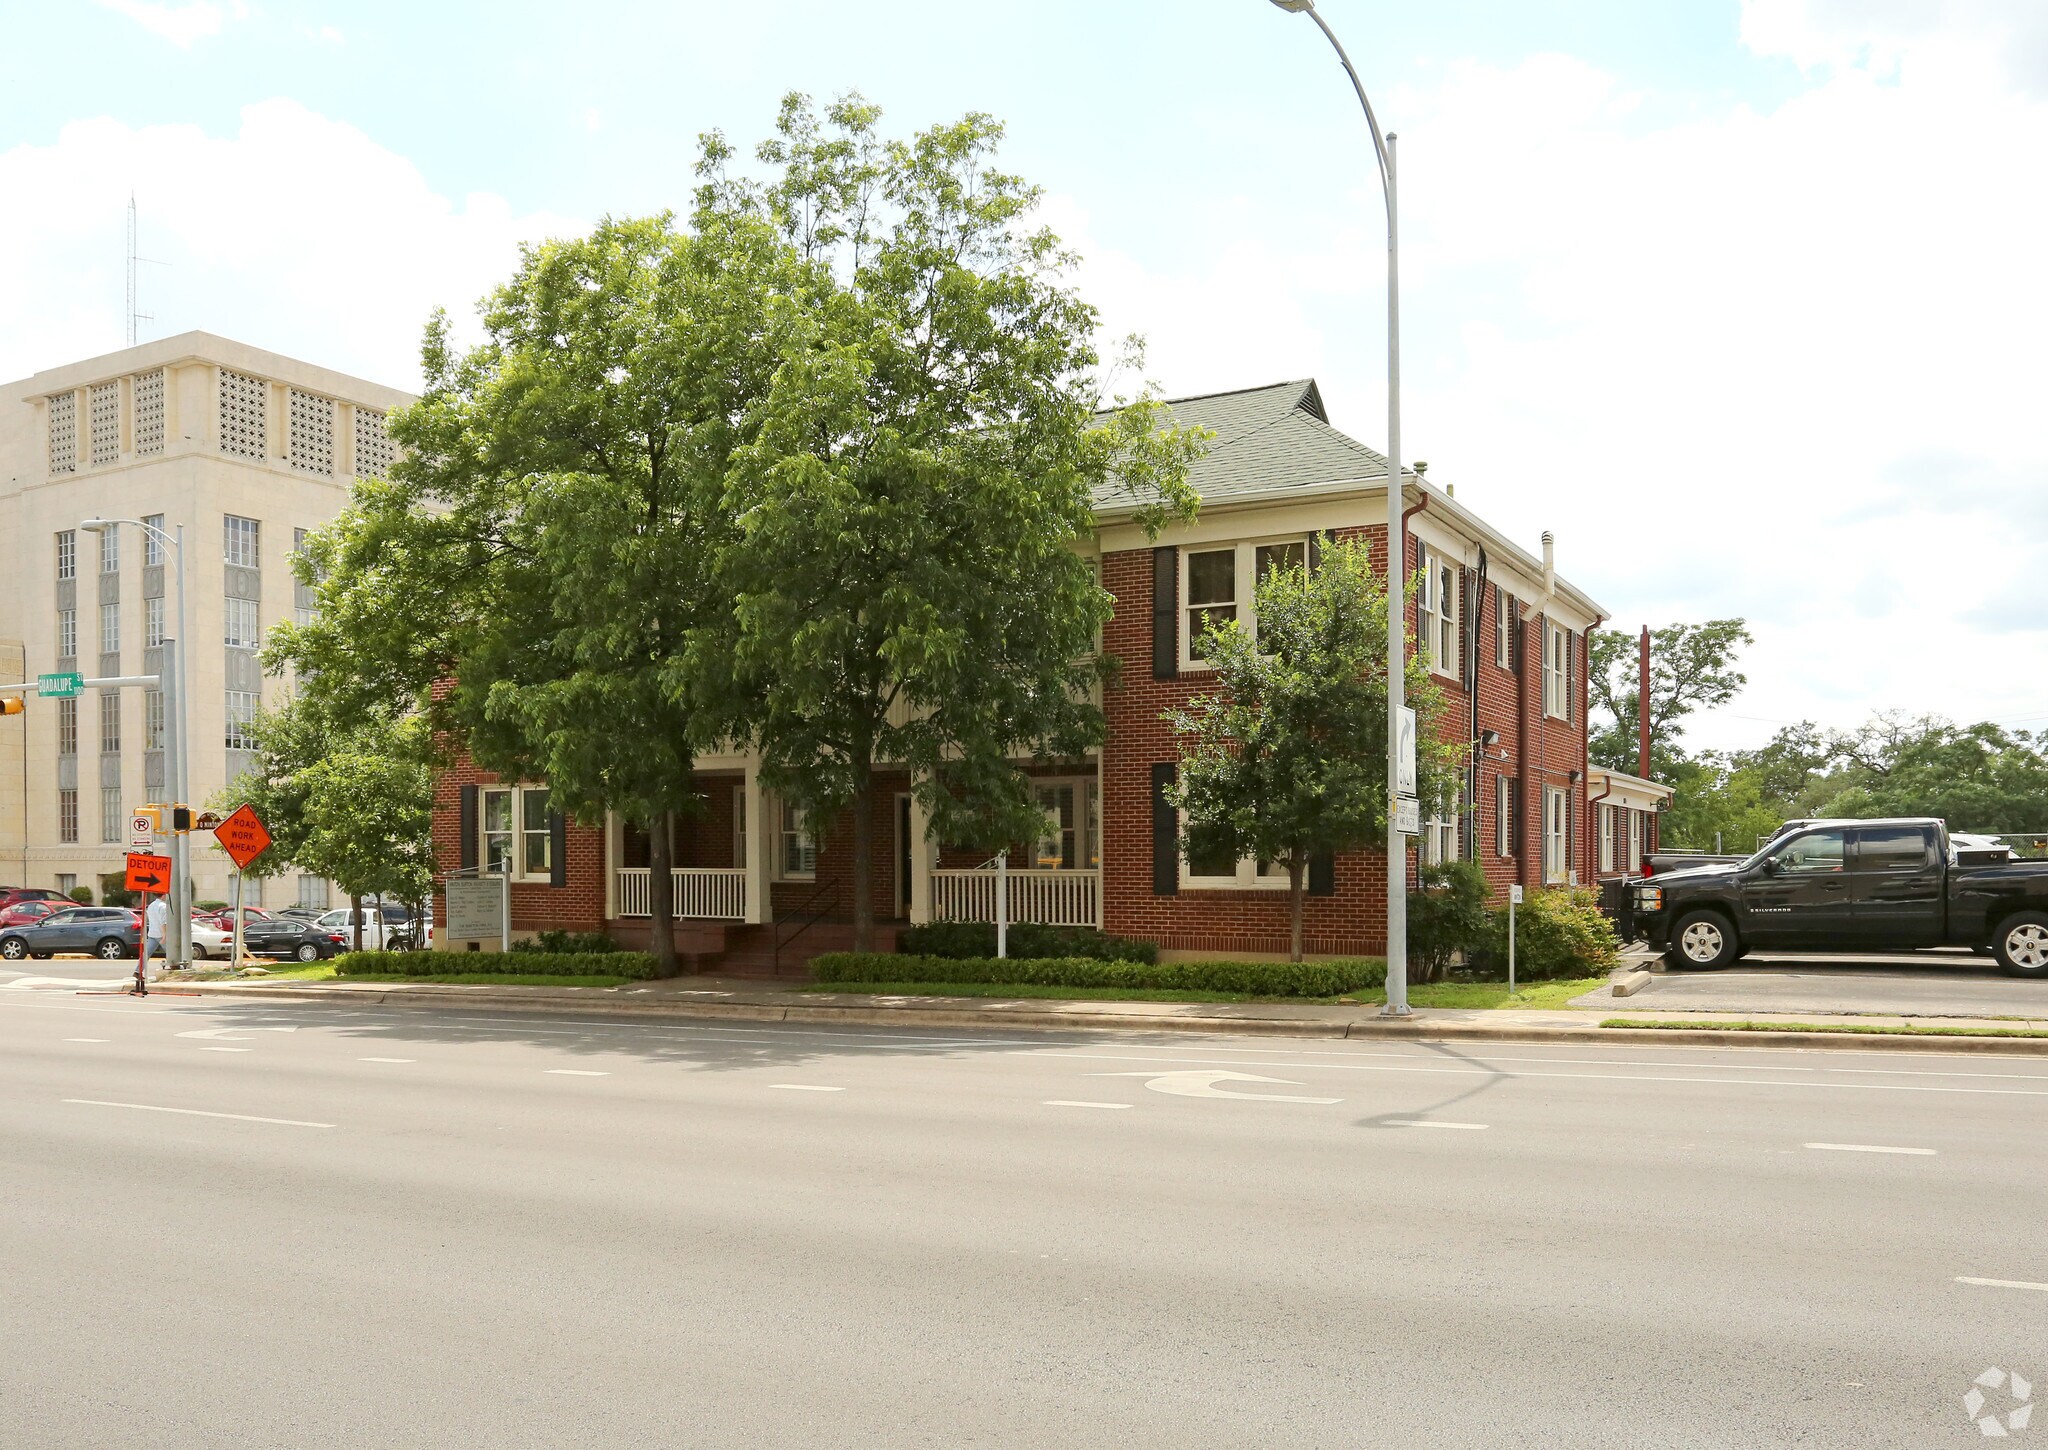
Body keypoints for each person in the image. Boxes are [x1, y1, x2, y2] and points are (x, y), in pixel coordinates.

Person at [144, 895, 168, 968]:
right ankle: (175, 967)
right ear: (163, 895)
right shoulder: (163, 906)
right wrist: (164, 935)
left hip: (152, 933)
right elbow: (163, 922)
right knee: (172, 953)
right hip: (160, 934)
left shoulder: (151, 905)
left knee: (146, 954)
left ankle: (137, 971)